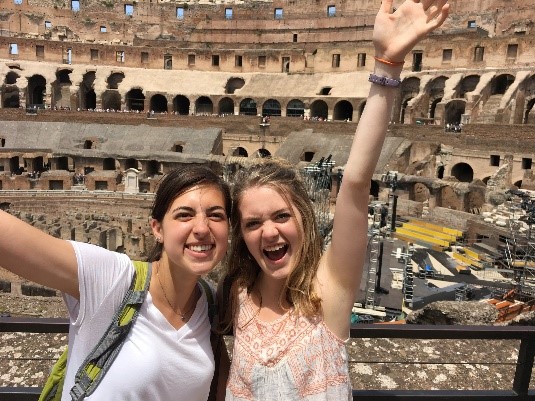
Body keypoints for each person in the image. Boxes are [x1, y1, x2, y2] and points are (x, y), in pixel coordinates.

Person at [218, 0, 450, 400]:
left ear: (303, 220)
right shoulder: (236, 299)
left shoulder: (327, 291)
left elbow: (356, 183)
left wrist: (387, 67)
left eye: (280, 216)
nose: (269, 231)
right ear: (241, 234)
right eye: (253, 223)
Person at [0, 165, 231, 401]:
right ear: (157, 228)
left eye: (216, 215)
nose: (202, 228)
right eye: (184, 214)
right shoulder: (111, 278)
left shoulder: (212, 305)